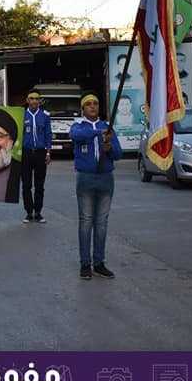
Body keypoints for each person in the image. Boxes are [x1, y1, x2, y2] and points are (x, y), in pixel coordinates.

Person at [70, 92, 122, 281]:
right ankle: (85, 263)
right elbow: (76, 136)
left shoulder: (107, 127)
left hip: (106, 179)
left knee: (101, 223)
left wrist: (110, 148)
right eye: (89, 104)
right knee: (86, 221)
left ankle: (99, 263)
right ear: (83, 108)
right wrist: (98, 133)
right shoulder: (78, 126)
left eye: (96, 103)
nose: (93, 106)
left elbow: (118, 154)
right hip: (86, 179)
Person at [22, 90, 52, 223]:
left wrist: (48, 152)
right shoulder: (22, 115)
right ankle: (29, 212)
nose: (34, 101)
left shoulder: (45, 116)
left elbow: (48, 134)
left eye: (37, 98)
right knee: (26, 185)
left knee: (39, 185)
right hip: (26, 153)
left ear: (40, 101)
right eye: (32, 98)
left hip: (40, 153)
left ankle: (38, 212)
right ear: (27, 100)